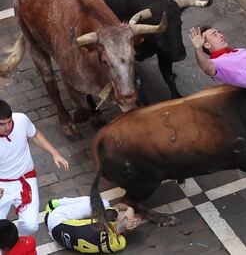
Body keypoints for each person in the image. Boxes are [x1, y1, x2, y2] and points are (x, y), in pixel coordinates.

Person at [0, 99, 69, 236]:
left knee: (31, 226)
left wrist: (55, 153)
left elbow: (35, 134)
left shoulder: (21, 120)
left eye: (9, 121)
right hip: (2, 185)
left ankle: (14, 239)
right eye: (2, 124)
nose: (8, 127)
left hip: (25, 179)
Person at [44, 196, 142, 253]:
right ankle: (54, 207)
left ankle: (55, 204)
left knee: (103, 203)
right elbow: (123, 229)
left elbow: (118, 207)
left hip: (57, 219)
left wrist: (129, 209)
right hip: (56, 235)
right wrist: (131, 222)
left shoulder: (110, 216)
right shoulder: (117, 245)